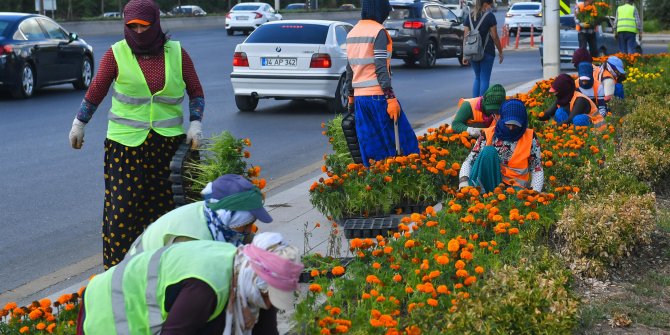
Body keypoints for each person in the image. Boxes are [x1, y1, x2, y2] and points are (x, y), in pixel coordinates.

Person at [67, 0, 206, 270]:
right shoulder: (116, 54)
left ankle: (163, 273)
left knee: (166, 215)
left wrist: (195, 123)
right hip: (125, 148)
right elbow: (95, 91)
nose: (139, 31)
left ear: (156, 23)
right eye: (133, 26)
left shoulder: (177, 54)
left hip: (168, 148)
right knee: (122, 215)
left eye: (145, 25)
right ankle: (117, 276)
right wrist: (79, 123)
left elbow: (196, 91)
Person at [76, 233, 304, 335]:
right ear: (257, 279)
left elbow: (266, 331)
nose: (269, 301)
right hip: (112, 311)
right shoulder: (205, 288)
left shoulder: (249, 276)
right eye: (269, 294)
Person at [344, 0, 420, 167]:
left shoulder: (352, 33)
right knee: (405, 144)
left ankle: (378, 185)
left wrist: (351, 99)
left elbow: (350, 70)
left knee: (372, 148)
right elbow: (380, 68)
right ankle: (401, 181)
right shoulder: (378, 32)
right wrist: (390, 98)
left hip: (360, 100)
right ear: (379, 10)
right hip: (379, 98)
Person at [126, 174, 273, 257]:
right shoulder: (189, 240)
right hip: (138, 291)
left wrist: (275, 253)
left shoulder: (214, 217)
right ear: (228, 218)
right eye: (246, 224)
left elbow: (250, 241)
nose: (249, 229)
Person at [458, 99, 544, 193]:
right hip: (489, 183)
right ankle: (480, 196)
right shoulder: (488, 134)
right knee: (488, 151)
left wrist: (535, 193)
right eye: (508, 125)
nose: (511, 128)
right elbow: (470, 161)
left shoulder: (530, 137)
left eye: (515, 126)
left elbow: (537, 168)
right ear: (502, 119)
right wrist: (463, 182)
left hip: (516, 188)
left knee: (514, 204)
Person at [462, 0, 504, 97]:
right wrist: (500, 52)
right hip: (487, 51)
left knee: (477, 78)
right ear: (486, 3)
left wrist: (465, 54)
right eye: (490, 4)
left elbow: (465, 36)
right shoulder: (490, 16)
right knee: (485, 78)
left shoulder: (469, 16)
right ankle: (481, 105)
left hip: (472, 51)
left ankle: (474, 105)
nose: (491, 6)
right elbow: (495, 36)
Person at [538, 74, 605, 131]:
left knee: (578, 119)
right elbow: (549, 113)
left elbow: (570, 120)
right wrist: (536, 118)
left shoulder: (580, 100)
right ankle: (565, 134)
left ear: (564, 90)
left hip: (597, 127)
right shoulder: (562, 98)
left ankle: (581, 138)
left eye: (556, 92)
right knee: (560, 112)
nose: (555, 94)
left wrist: (551, 128)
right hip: (574, 125)